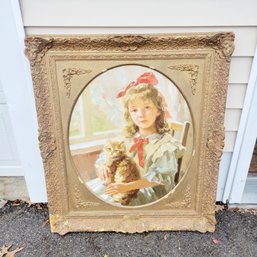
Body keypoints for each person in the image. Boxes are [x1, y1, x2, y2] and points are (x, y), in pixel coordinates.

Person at [87, 72, 185, 206]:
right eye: (134, 110)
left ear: (158, 110)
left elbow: (160, 179)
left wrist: (127, 187)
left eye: (147, 107)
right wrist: (102, 166)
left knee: (110, 202)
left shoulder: (165, 144)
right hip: (124, 184)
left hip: (149, 190)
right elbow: (106, 156)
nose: (141, 115)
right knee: (92, 195)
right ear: (129, 113)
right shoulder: (128, 138)